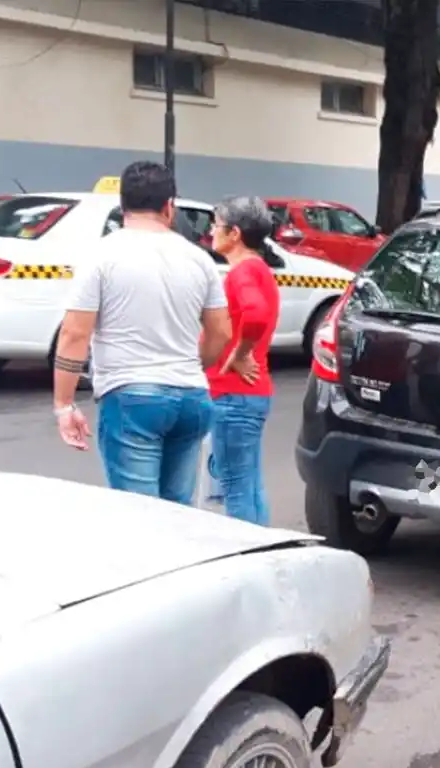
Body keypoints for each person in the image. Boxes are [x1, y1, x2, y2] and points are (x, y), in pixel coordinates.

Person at [52, 161, 250, 505]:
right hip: (192, 396)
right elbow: (220, 331)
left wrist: (64, 404)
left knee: (140, 517)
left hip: (132, 396)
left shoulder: (101, 255)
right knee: (177, 514)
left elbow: (74, 334)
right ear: (169, 207)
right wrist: (195, 364)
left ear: (123, 205)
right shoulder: (198, 259)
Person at [205, 197, 283, 525]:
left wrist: (238, 354)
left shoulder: (243, 272)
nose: (210, 231)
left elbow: (255, 314)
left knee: (236, 484)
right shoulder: (258, 269)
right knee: (248, 482)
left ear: (234, 233)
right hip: (250, 393)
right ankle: (262, 549)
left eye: (216, 224)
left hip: (234, 393)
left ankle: (247, 553)